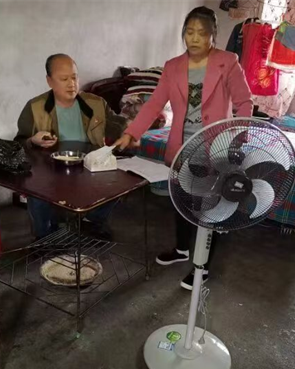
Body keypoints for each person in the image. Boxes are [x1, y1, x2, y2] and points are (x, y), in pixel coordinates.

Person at [115, 6, 253, 290]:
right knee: (181, 199)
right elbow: (154, 103)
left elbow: (244, 102)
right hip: (182, 145)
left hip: (216, 145)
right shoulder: (173, 66)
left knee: (208, 207)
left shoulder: (228, 62)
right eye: (189, 32)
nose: (195, 38)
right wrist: (131, 133)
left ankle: (202, 267)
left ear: (213, 35)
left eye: (202, 33)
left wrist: (238, 136)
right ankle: (181, 250)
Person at [15, 54, 127, 240]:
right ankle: (45, 237)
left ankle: (92, 221)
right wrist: (33, 141)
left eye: (74, 77)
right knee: (36, 189)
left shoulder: (96, 104)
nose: (71, 84)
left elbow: (118, 125)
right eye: (64, 79)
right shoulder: (35, 108)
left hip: (88, 168)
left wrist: (131, 130)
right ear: (49, 81)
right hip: (50, 170)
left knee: (119, 181)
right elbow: (18, 144)